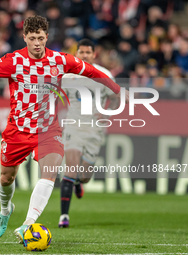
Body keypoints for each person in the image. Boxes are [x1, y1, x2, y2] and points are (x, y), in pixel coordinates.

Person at [0, 16, 128, 243]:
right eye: (32, 38)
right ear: (25, 38)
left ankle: (28, 224)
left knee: (49, 173)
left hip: (49, 129)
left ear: (47, 37)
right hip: (18, 129)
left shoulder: (60, 60)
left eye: (41, 38)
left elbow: (91, 72)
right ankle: (5, 210)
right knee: (5, 178)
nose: (37, 43)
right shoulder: (13, 61)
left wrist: (117, 89)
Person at [58, 39, 120, 228]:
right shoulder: (67, 75)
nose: (84, 56)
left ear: (94, 54)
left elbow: (116, 98)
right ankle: (64, 217)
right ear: (76, 54)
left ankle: (78, 182)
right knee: (70, 166)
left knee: (85, 175)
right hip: (74, 127)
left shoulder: (105, 74)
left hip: (94, 129)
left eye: (88, 52)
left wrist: (107, 112)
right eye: (81, 52)